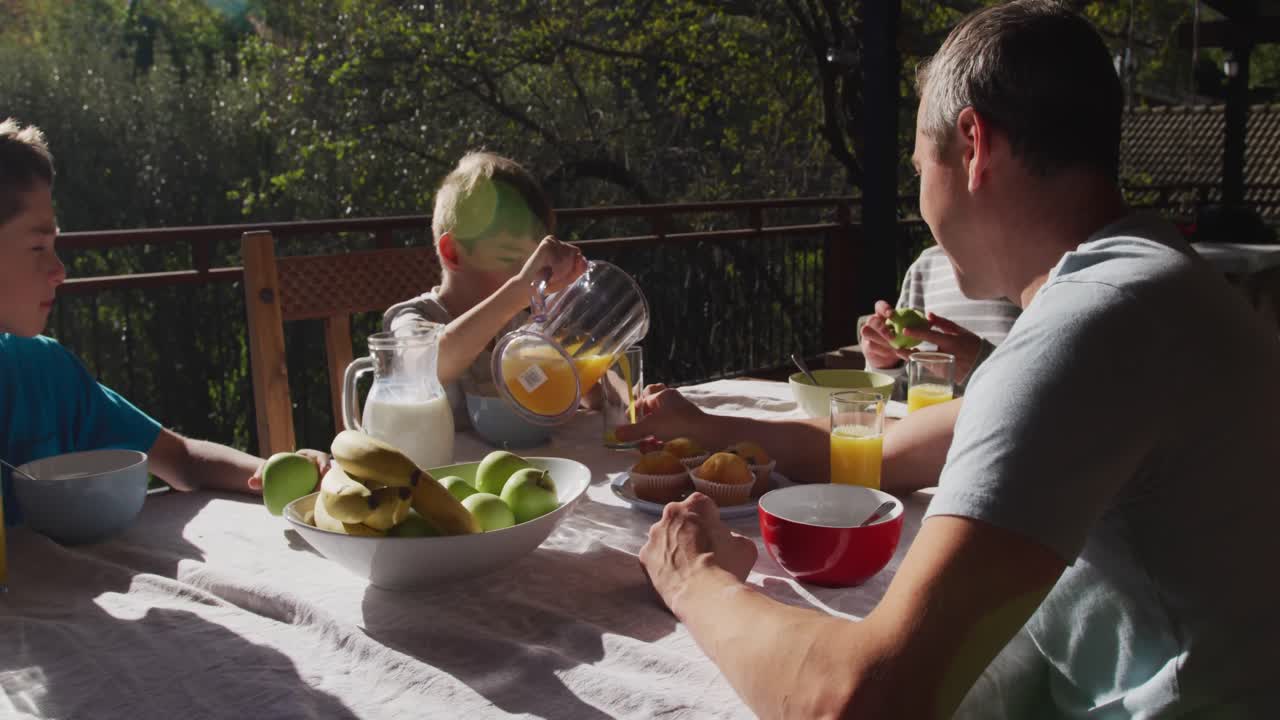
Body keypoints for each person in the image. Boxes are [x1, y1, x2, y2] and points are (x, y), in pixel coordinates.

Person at [618, 2, 1279, 716]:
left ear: (973, 146)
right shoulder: (1147, 289)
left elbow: (859, 700)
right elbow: (889, 451)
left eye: (918, 166)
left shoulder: (1091, 323)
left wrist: (693, 579)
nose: (919, 196)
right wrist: (710, 426)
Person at [0, 118, 325, 526]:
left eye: (54, 245)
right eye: (36, 246)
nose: (59, 269)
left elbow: (181, 459)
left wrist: (275, 470)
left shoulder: (44, 372)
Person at [382, 152, 586, 423]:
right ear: (453, 252)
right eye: (510, 259)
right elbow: (426, 366)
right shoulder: (414, 318)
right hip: (436, 466)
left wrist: (633, 398)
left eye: (530, 263)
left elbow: (588, 391)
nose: (526, 275)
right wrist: (517, 293)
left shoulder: (522, 324)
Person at [860, 244, 1021, 388]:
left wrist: (982, 367)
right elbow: (899, 399)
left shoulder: (1039, 273)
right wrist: (885, 366)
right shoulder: (926, 267)